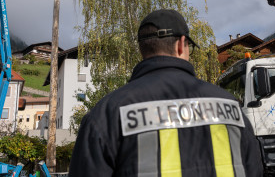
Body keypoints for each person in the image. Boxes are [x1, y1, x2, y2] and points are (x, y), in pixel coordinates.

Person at [69, 9, 263, 177]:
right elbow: (254, 169)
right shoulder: (231, 107)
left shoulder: (106, 115)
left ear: (142, 49)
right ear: (181, 45)